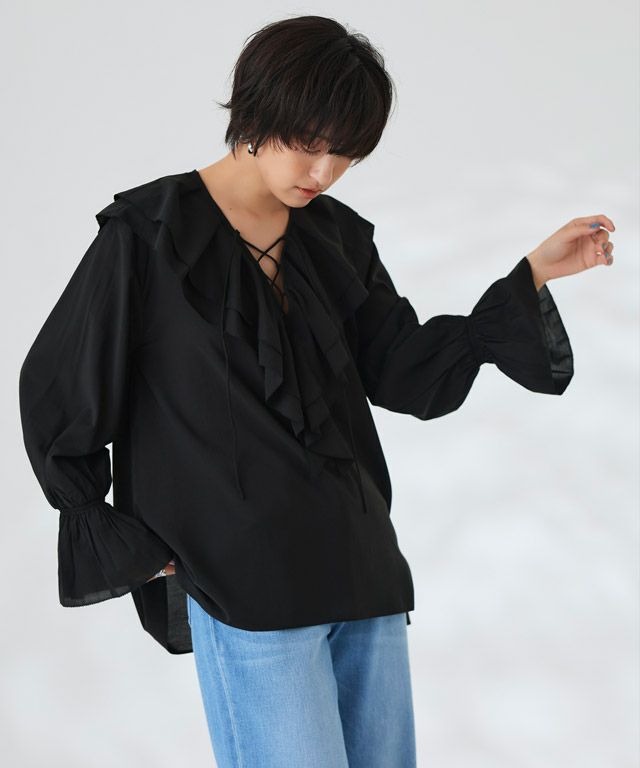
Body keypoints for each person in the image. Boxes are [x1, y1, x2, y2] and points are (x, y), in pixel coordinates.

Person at [18, 14, 615, 768]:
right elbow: (61, 384)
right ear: (257, 109)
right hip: (242, 579)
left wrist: (530, 275)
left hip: (360, 566)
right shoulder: (148, 235)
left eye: (347, 154)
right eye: (310, 142)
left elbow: (404, 372)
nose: (325, 172)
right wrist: (109, 525)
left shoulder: (337, 237)